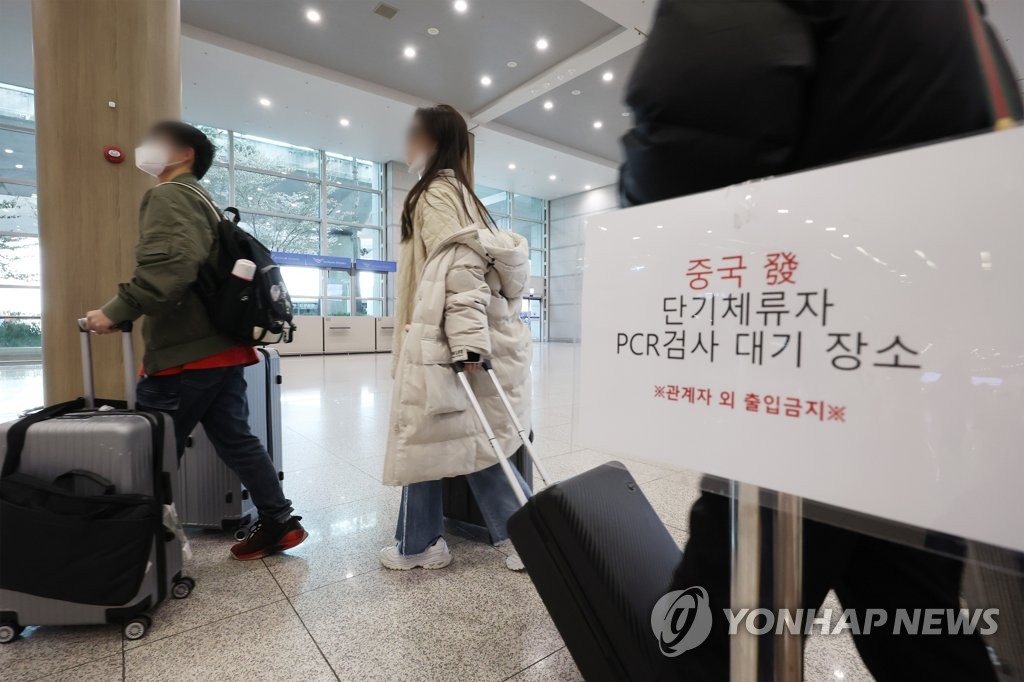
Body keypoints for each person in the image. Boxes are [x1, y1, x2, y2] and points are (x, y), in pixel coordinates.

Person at [620, 0, 1021, 679]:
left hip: (810, 376)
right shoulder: (955, 15)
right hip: (908, 382)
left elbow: (687, 144)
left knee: (717, 641)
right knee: (918, 624)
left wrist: (636, 201)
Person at [83, 121, 306, 561]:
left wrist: (113, 312)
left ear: (183, 153)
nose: (144, 148)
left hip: (186, 355)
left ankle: (141, 549)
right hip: (222, 349)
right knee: (237, 440)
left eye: (156, 142)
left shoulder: (169, 196)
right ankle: (279, 521)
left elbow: (169, 271)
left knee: (152, 451)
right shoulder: (206, 203)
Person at [380, 104, 533, 572]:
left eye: (414, 134)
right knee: (458, 436)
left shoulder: (435, 194)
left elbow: (460, 269)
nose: (406, 143)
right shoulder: (463, 194)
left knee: (432, 434)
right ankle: (431, 540)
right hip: (449, 333)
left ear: (432, 140)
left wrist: (466, 343)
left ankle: (426, 543)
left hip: (444, 337)